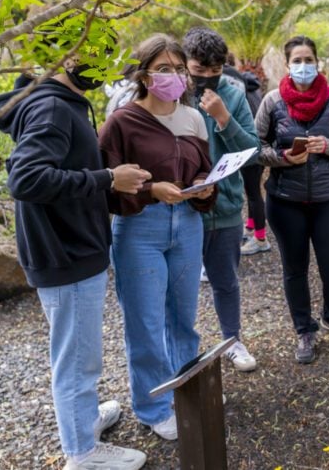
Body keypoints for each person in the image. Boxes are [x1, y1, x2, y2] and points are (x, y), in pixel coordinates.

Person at [0, 57, 151, 468]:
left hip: (70, 245)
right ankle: (82, 452)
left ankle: (85, 420)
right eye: (90, 51)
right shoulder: (53, 107)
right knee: (76, 357)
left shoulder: (62, 100)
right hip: (66, 250)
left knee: (81, 349)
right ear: (58, 57)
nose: (101, 62)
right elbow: (26, 179)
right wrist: (108, 179)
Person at [98, 34, 216, 441]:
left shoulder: (194, 118)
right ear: (145, 75)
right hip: (139, 228)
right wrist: (152, 191)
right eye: (164, 69)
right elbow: (108, 185)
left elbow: (204, 167)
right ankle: (153, 407)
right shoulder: (122, 122)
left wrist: (203, 185)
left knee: (183, 319)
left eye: (179, 68)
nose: (174, 76)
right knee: (145, 323)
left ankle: (188, 392)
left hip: (187, 224)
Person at [255, 35, 329, 364]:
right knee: (295, 269)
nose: (304, 66)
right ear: (287, 66)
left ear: (317, 63)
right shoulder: (272, 102)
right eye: (297, 61)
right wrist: (285, 157)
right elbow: (256, 148)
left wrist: (328, 146)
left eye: (308, 60)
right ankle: (304, 329)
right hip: (285, 202)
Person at [182, 26, 261, 371]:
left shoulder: (232, 93)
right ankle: (184, 354)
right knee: (180, 286)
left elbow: (252, 150)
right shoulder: (174, 95)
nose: (207, 80)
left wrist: (223, 117)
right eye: (199, 72)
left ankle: (232, 340)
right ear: (186, 65)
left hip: (225, 204)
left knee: (225, 280)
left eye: (214, 73)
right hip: (183, 207)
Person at [221, 53, 271, 256]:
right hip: (256, 144)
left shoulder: (231, 86)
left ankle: (260, 238)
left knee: (253, 194)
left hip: (248, 146)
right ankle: (251, 227)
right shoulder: (251, 87)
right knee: (253, 192)